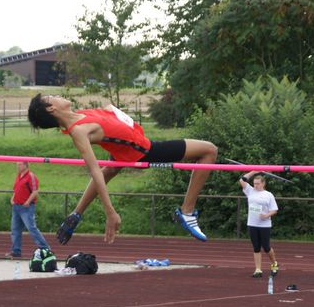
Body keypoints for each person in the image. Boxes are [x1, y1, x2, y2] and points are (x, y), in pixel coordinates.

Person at [27, 94, 217, 244]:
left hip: (124, 149)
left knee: (110, 169)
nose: (58, 95)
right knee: (209, 150)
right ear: (51, 108)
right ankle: (187, 210)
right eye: (52, 97)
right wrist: (110, 212)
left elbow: (110, 117)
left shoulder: (82, 113)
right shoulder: (78, 131)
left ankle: (76, 214)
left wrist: (114, 112)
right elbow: (95, 172)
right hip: (147, 150)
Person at [7, 161, 51, 258]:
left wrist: (27, 201)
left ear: (26, 165)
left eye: (20, 164)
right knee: (15, 229)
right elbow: (16, 189)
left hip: (26, 207)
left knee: (31, 228)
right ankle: (16, 251)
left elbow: (35, 191)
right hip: (16, 206)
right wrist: (13, 198)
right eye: (17, 164)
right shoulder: (18, 176)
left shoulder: (31, 176)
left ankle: (45, 248)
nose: (18, 166)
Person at [239, 171, 279, 278]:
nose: (255, 185)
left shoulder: (268, 195)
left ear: (263, 183)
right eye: (254, 183)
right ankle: (258, 269)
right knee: (256, 247)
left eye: (258, 183)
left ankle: (274, 263)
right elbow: (242, 180)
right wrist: (253, 171)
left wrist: (266, 215)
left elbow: (274, 210)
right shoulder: (250, 191)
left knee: (266, 247)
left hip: (264, 225)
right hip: (252, 224)